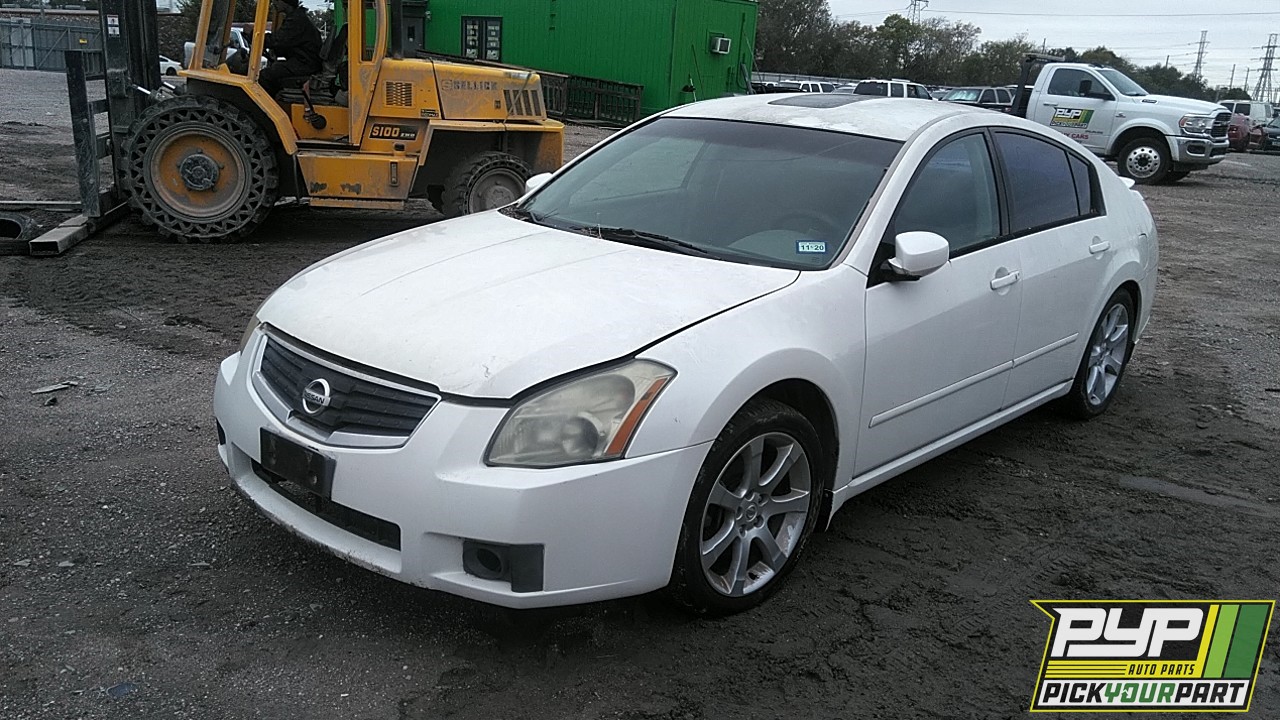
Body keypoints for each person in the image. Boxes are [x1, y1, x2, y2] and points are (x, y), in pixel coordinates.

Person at [258, 0, 322, 97]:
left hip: (305, 64)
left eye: (276, 0)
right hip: (306, 62)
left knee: (265, 76)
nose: (274, 3)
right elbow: (286, 44)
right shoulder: (297, 17)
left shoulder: (296, 20)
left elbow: (278, 40)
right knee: (275, 69)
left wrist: (254, 35)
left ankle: (264, 108)